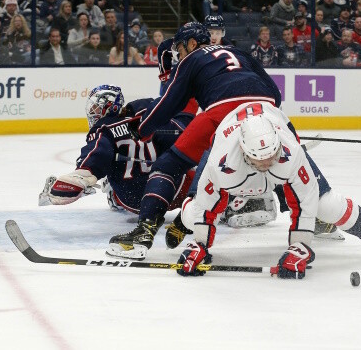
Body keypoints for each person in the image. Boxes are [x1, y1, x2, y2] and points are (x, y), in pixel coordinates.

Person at [107, 22, 282, 260]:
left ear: (191, 43)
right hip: (265, 110)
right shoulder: (239, 53)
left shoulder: (191, 60)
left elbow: (168, 103)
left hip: (220, 111)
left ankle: (146, 230)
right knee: (286, 164)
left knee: (169, 165)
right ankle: (323, 214)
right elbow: (276, 95)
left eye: (179, 50)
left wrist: (143, 130)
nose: (179, 55)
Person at [176, 102, 361, 277]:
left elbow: (305, 201)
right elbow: (206, 207)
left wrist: (300, 246)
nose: (266, 163)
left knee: (325, 205)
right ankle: (182, 217)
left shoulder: (291, 152)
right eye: (259, 160)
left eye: (271, 156)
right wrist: (200, 244)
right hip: (230, 149)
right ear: (244, 151)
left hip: (276, 129)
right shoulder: (221, 163)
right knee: (190, 217)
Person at [39, 84, 194, 214]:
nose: (93, 111)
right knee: (194, 174)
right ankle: (209, 203)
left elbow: (96, 156)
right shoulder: (150, 118)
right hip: (171, 192)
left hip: (132, 202)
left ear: (110, 107)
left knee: (110, 166)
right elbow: (184, 136)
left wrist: (80, 174)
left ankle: (114, 197)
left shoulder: (103, 129)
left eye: (96, 107)